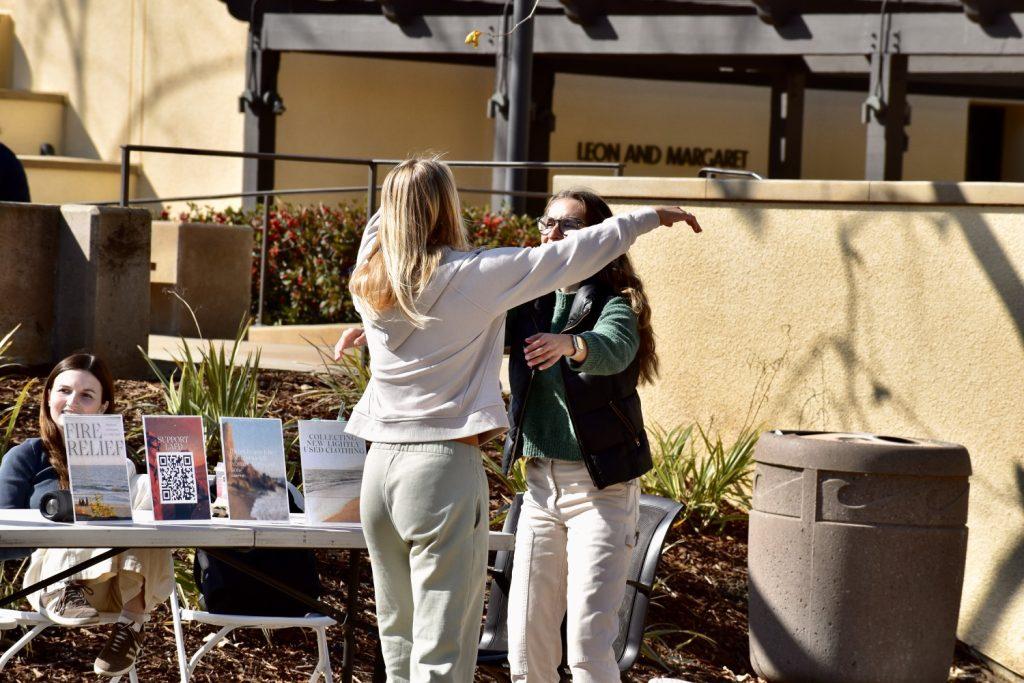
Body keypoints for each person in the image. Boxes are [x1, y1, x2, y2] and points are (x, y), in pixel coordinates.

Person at [334, 157, 702, 682]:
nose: (551, 232)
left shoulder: (367, 280)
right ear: (446, 208)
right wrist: (645, 219)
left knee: (399, 638)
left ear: (389, 215)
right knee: (442, 649)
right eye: (547, 222)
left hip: (379, 472)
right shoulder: (477, 275)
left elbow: (611, 335)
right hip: (439, 470)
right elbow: (575, 254)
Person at [502, 188, 662, 682]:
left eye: (567, 227)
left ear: (596, 240)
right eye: (546, 223)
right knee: (527, 649)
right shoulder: (525, 300)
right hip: (540, 490)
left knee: (589, 648)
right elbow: (464, 323)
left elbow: (614, 347)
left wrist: (571, 344)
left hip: (600, 492)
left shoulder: (614, 304)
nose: (551, 234)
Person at [0, 353, 174, 677]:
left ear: (104, 407)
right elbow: (5, 540)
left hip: (116, 590)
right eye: (63, 391)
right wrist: (61, 518)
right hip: (57, 586)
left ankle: (131, 625)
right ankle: (132, 620)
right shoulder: (25, 458)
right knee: (117, 492)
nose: (72, 402)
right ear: (48, 396)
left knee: (144, 490)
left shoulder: (121, 460)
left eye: (86, 395)